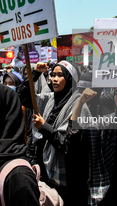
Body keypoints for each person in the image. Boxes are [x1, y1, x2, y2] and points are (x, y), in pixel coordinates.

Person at [17, 60, 91, 205]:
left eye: (60, 75)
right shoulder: (49, 99)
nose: (54, 79)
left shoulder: (79, 106)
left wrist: (45, 127)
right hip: (45, 172)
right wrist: (36, 74)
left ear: (70, 78)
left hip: (67, 178)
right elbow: (21, 96)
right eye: (53, 75)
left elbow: (69, 145)